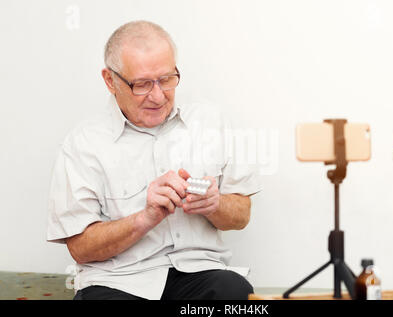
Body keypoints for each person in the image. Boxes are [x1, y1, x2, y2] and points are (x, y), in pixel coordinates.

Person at [46, 20, 262, 300]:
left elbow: (242, 214)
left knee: (233, 291)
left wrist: (215, 204)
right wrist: (144, 218)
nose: (158, 96)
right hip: (117, 282)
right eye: (143, 84)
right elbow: (80, 247)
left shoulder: (211, 122)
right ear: (110, 80)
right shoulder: (83, 143)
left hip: (199, 274)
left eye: (167, 79)